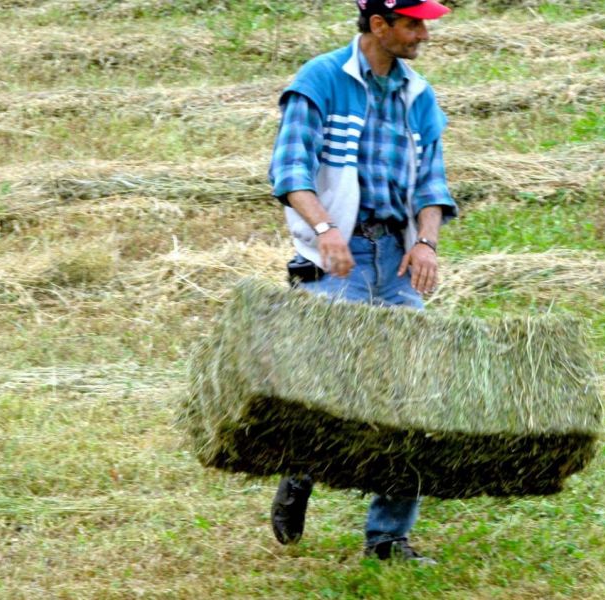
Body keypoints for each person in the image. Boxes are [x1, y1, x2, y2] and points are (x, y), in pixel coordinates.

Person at [267, 0, 457, 564]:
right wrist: (325, 230)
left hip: (394, 257)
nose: (423, 33)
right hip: (337, 258)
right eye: (413, 22)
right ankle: (301, 470)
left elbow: (432, 184)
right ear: (379, 25)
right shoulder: (320, 80)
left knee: (415, 394)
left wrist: (425, 240)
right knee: (331, 392)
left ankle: (388, 537)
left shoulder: (417, 94)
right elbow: (290, 170)